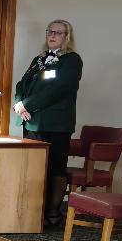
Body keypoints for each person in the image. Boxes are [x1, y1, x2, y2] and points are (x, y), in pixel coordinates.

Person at [13, 19, 83, 227]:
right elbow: (21, 83)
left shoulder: (71, 60)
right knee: (34, 168)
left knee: (55, 168)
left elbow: (58, 90)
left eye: (59, 33)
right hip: (32, 123)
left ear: (67, 37)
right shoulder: (39, 59)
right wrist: (18, 103)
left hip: (56, 124)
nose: (53, 35)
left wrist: (27, 104)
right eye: (50, 32)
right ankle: (34, 213)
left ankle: (53, 213)